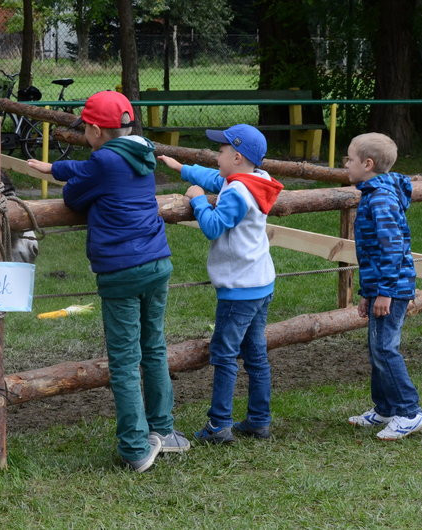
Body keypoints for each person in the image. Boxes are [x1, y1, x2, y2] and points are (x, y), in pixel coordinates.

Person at [27, 90, 188, 472]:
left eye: (86, 129)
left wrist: (61, 175)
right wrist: (56, 168)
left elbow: (74, 196)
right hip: (157, 261)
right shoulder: (142, 152)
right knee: (154, 347)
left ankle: (134, 447)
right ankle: (163, 431)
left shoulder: (103, 161)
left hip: (121, 270)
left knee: (124, 359)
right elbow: (86, 171)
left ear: (97, 131)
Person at [157, 124, 283, 444]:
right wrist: (184, 169)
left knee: (225, 355)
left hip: (238, 289)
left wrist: (198, 200)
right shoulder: (257, 181)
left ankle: (218, 425)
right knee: (255, 354)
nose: (217, 155)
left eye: (221, 151)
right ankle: (258, 419)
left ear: (237, 157)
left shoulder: (239, 192)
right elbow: (220, 180)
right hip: (260, 283)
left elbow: (213, 227)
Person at [344, 132, 422, 441]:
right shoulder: (375, 191)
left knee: (385, 348)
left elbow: (392, 249)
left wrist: (385, 292)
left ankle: (409, 412)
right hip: (382, 286)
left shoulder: (380, 198)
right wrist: (369, 293)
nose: (346, 164)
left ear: (367, 164)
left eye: (349, 159)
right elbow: (373, 254)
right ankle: (385, 408)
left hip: (392, 288)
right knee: (377, 346)